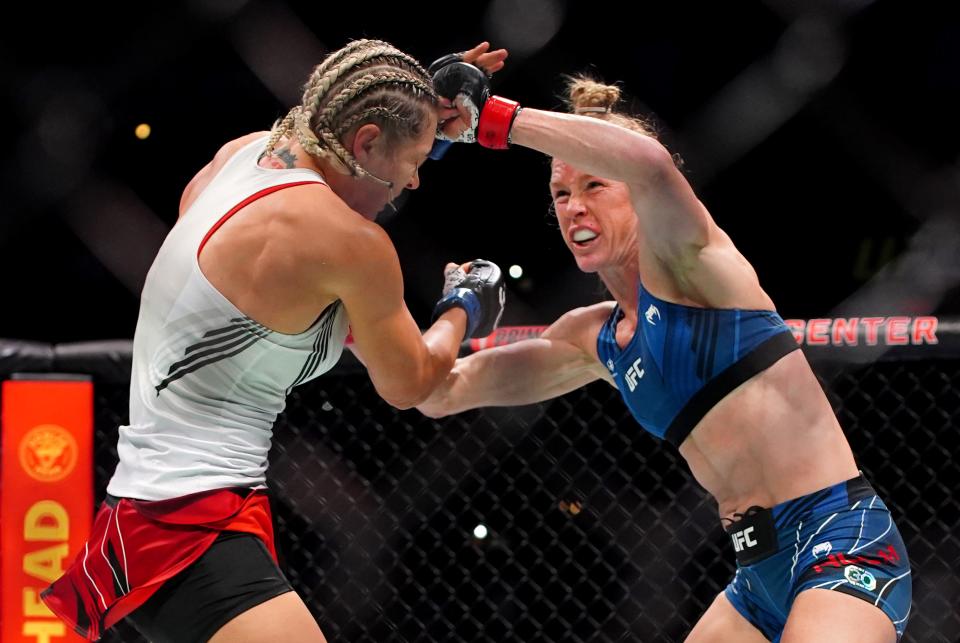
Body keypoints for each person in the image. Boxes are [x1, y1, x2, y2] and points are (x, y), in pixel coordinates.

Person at [418, 64, 912, 642]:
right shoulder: (591, 337)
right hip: (755, 580)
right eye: (561, 194)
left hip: (840, 541)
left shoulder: (693, 265)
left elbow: (648, 164)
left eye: (595, 185)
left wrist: (494, 119)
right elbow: (436, 391)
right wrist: (464, 307)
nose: (575, 206)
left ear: (636, 198)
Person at [41, 40, 508, 643]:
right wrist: (464, 307)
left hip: (167, 504)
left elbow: (340, 152)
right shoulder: (349, 245)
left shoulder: (240, 157)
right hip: (191, 527)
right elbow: (413, 384)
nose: (415, 181)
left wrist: (412, 109)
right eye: (415, 159)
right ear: (366, 143)